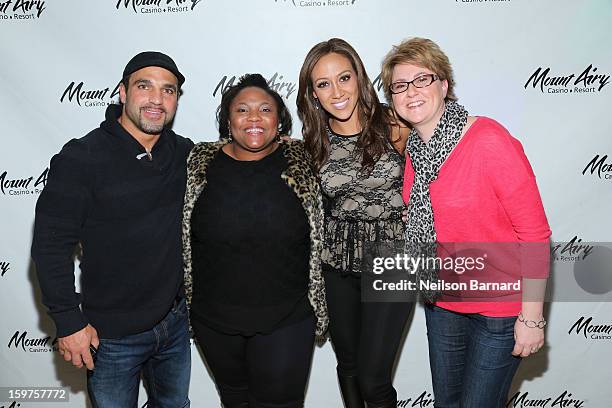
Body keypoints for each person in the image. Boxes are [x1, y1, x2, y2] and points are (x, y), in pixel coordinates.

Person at [381, 37, 551, 407]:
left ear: (444, 84)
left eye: (422, 80)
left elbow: (534, 234)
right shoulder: (415, 151)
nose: (411, 92)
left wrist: (532, 317)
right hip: (443, 304)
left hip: (498, 312)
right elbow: (433, 213)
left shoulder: (488, 140)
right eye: (399, 86)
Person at [31, 51, 193, 407]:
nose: (156, 99)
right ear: (123, 92)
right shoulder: (81, 158)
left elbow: (234, 158)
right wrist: (68, 321)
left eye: (168, 91)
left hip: (174, 324)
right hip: (110, 337)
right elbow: (50, 245)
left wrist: (279, 146)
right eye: (144, 86)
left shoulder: (183, 153)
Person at [182, 73, 328, 408]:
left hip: (286, 317)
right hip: (214, 319)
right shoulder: (197, 162)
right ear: (227, 119)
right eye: (242, 110)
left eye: (265, 109)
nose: (253, 118)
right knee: (234, 399)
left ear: (280, 120)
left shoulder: (306, 159)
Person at [296, 38, 411, 408]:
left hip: (392, 261)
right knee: (348, 365)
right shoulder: (314, 141)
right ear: (313, 94)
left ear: (360, 79)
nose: (337, 91)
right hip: (337, 265)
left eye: (344, 77)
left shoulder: (395, 126)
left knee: (374, 378)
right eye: (323, 84)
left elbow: (436, 175)